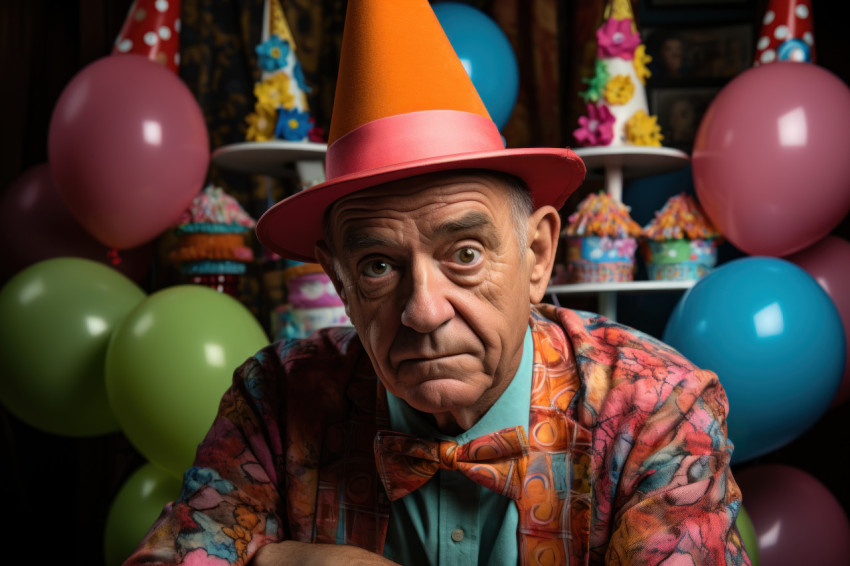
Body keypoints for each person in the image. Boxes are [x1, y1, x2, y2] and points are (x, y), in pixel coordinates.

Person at [125, 1, 751, 564]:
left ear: (537, 254)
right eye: (377, 266)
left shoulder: (656, 411)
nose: (423, 311)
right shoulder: (276, 398)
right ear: (340, 282)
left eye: (466, 253)